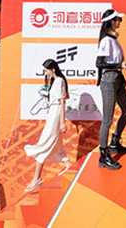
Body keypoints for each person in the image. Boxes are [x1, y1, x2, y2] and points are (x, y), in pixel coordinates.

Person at [24, 59, 71, 191]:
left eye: (46, 70)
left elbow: (63, 101)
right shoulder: (56, 81)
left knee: (45, 143)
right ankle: (66, 163)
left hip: (56, 114)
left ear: (53, 69)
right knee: (53, 142)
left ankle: (36, 179)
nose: (46, 73)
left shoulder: (59, 81)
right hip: (52, 112)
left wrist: (62, 122)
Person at [96, 9, 126, 170]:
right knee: (108, 119)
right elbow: (100, 63)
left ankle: (115, 142)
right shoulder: (106, 41)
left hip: (116, 79)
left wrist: (122, 75)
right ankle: (103, 155)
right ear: (111, 21)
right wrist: (120, 66)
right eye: (118, 20)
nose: (120, 22)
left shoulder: (114, 40)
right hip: (108, 80)